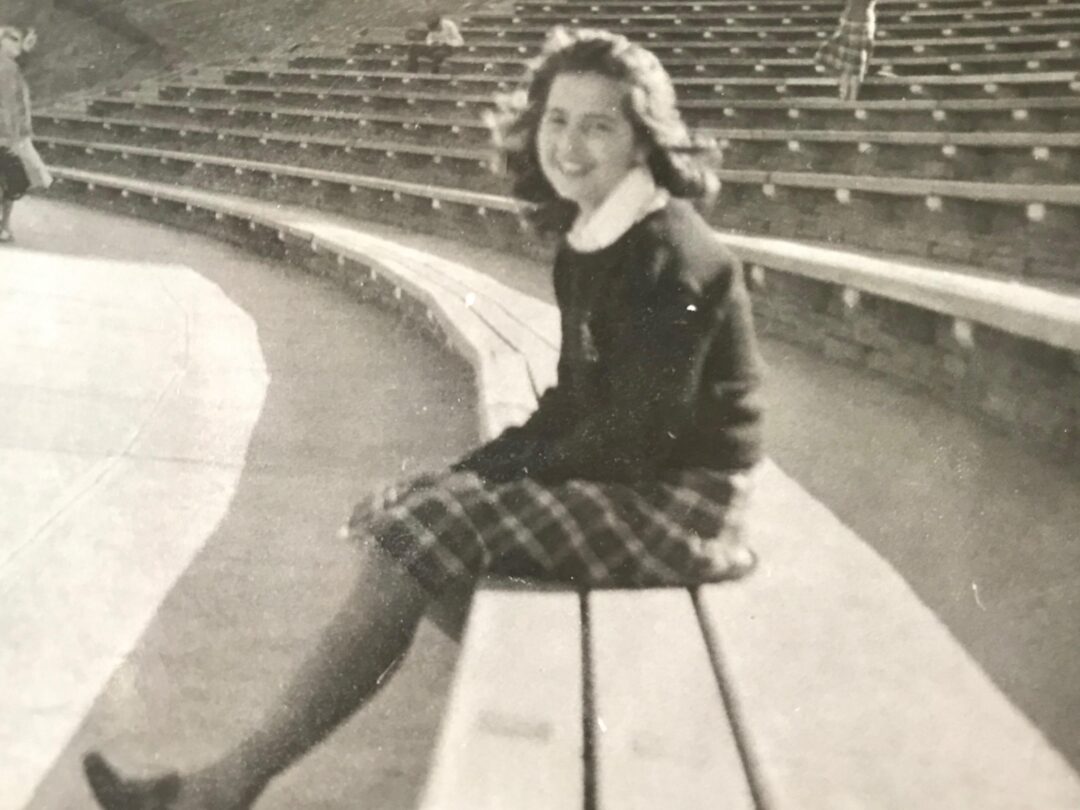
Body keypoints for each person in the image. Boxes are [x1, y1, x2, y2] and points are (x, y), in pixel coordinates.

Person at [82, 26, 765, 810]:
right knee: (418, 516)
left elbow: (639, 438)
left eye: (599, 125)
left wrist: (479, 492)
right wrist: (468, 475)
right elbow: (575, 406)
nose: (570, 144)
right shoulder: (593, 236)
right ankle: (555, 730)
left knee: (430, 531)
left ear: (644, 139)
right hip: (640, 479)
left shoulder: (668, 253)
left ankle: (224, 788)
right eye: (556, 119)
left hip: (686, 504)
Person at [0, 26, 50, 243]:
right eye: (14, 39)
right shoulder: (5, 67)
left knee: (10, 182)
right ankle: (4, 226)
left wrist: (26, 51)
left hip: (10, 135)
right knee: (10, 182)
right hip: (6, 135)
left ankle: (4, 226)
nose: (18, 44)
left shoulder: (10, 66)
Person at [815, 0, 877, 101]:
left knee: (854, 63)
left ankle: (849, 97)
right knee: (850, 64)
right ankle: (846, 96)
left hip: (860, 21)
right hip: (855, 20)